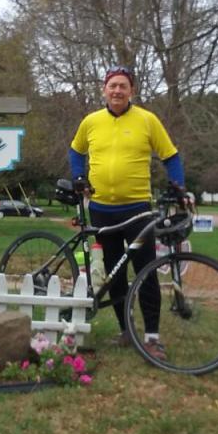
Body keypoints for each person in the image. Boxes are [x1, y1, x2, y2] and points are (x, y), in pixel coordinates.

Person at [68, 65, 186, 361]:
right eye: (112, 86)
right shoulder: (91, 121)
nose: (117, 90)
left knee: (146, 271)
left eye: (123, 86)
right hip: (101, 209)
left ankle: (152, 337)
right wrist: (78, 176)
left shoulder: (147, 120)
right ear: (104, 90)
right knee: (114, 273)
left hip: (137, 209)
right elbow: (75, 150)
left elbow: (171, 156)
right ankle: (125, 330)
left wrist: (178, 187)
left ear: (131, 90)